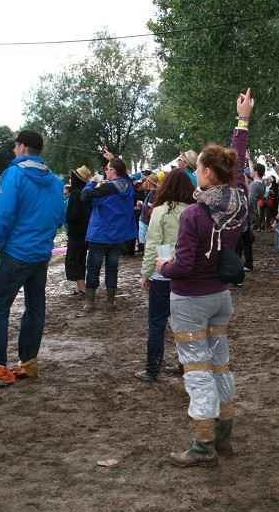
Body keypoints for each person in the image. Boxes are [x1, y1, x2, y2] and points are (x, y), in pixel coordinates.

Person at [156, 88, 252, 468]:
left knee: (197, 372)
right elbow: (239, 164)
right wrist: (242, 122)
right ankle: (224, 436)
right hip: (220, 298)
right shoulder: (237, 200)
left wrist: (163, 269)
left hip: (190, 300)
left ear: (208, 174)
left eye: (198, 168)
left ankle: (203, 446)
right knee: (220, 365)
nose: (194, 172)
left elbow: (182, 265)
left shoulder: (196, 214)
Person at [0, 130, 65, 390]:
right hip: (41, 253)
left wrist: (0, 246)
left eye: (15, 146)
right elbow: (58, 218)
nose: (13, 150)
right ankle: (28, 362)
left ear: (22, 148)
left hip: (16, 252)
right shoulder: (55, 181)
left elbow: (3, 216)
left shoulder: (15, 174)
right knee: (35, 307)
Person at [135, 169, 195, 381]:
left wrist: (145, 274)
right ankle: (185, 362)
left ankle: (152, 368)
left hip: (162, 273)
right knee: (184, 321)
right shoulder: (194, 210)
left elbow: (152, 246)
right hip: (186, 273)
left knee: (157, 323)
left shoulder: (159, 211)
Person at [81, 157, 138, 311]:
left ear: (113, 171)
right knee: (112, 267)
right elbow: (125, 175)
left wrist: (91, 182)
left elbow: (85, 196)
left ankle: (90, 303)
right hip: (119, 235)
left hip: (100, 234)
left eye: (107, 169)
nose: (105, 171)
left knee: (93, 267)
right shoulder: (128, 187)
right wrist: (112, 158)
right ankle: (109, 302)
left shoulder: (106, 190)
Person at [65, 165, 93, 297]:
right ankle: (79, 288)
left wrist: (66, 218)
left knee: (73, 259)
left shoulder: (75, 194)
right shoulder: (87, 193)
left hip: (76, 232)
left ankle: (82, 288)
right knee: (81, 259)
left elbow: (72, 215)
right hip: (86, 231)